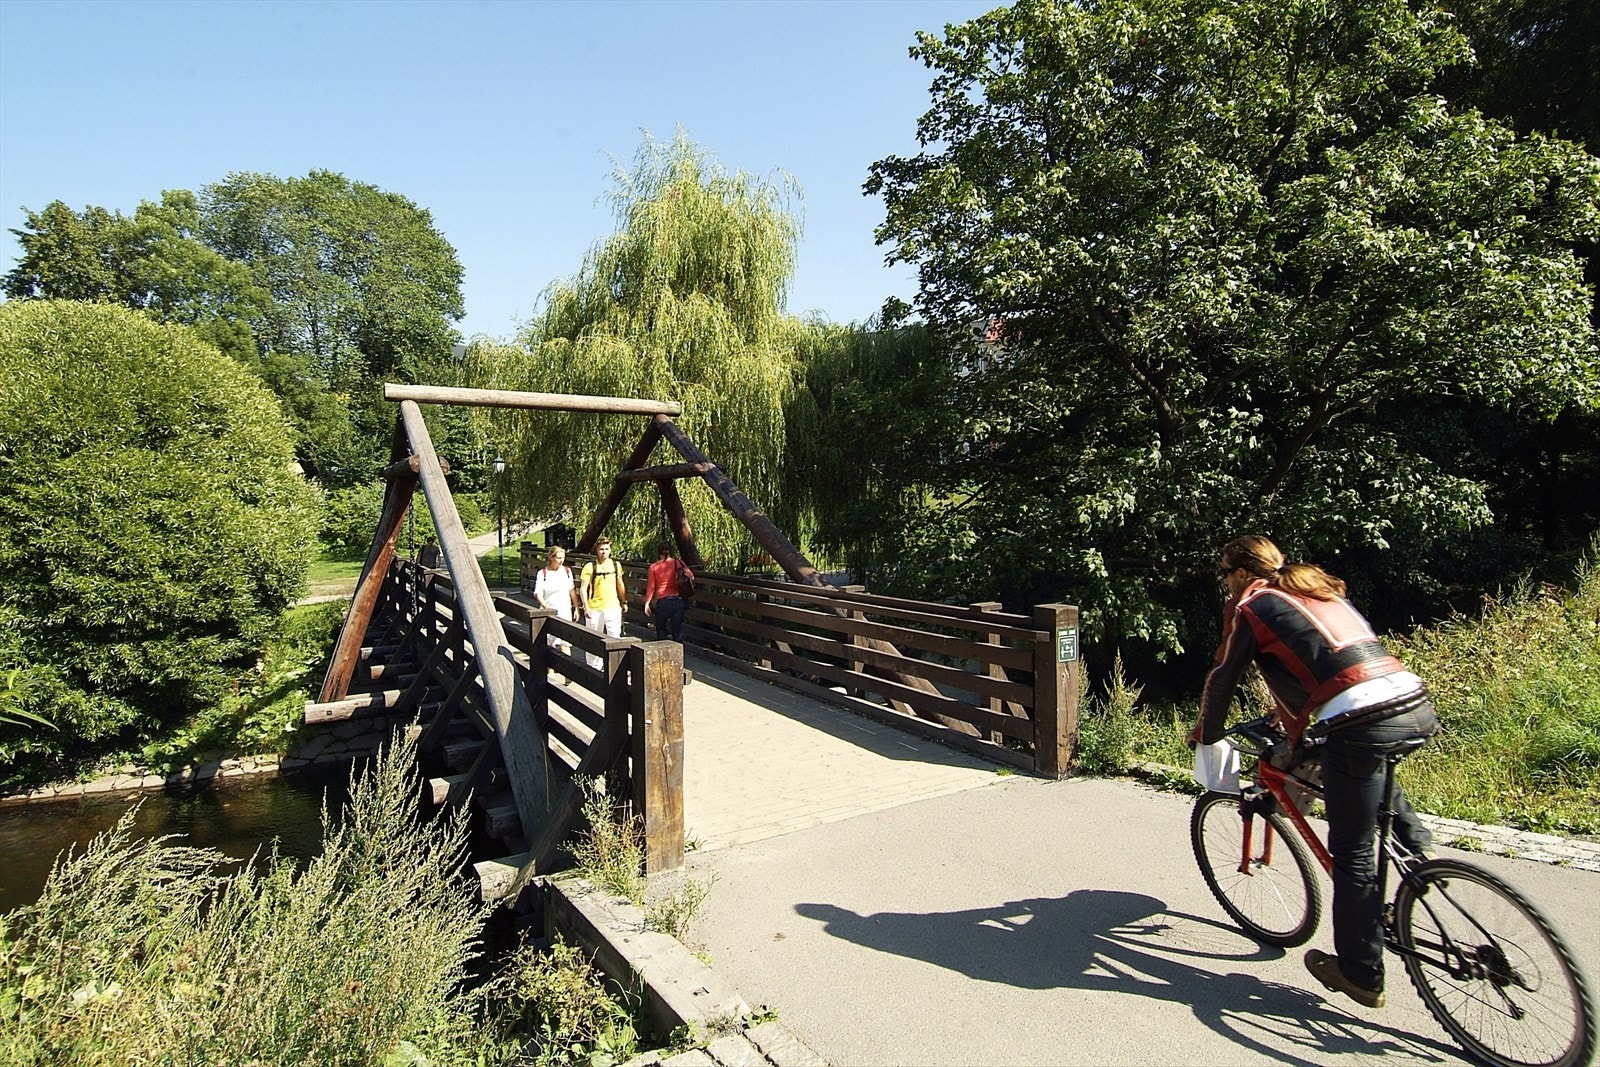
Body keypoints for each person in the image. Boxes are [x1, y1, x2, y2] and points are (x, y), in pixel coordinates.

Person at [1188, 535, 1438, 1011]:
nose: (1224, 583)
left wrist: (1207, 731)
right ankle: (1424, 860)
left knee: (1352, 851)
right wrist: (1292, 714)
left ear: (1241, 574)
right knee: (1374, 774)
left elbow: (1223, 678)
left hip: (1360, 720)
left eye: (1225, 574)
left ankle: (1361, 972)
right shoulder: (1317, 588)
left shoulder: (1255, 606)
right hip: (1410, 701)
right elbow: (1329, 663)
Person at [579, 537, 627, 670]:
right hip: (595, 607)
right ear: (597, 550)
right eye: (601, 549)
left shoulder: (616, 565)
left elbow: (620, 584)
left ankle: (614, 667)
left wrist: (624, 601)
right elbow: (583, 588)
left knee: (614, 638)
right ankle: (593, 668)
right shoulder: (590, 566)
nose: (604, 552)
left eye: (606, 549)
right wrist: (585, 606)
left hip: (613, 607)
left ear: (610, 549)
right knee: (593, 639)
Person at [533, 544, 580, 664]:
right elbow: (537, 593)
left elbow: (571, 590)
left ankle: (568, 673)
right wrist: (545, 606)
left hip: (565, 610)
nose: (561, 560)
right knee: (550, 643)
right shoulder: (543, 573)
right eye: (558, 557)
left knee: (565, 641)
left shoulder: (567, 571)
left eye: (563, 557)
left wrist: (576, 608)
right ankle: (550, 673)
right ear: (551, 557)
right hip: (550, 609)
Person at [643, 540, 693, 642]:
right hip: (678, 600)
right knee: (677, 631)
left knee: (660, 629)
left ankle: (663, 653)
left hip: (663, 602)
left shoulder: (654, 567)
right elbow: (691, 576)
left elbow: (651, 587)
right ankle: (678, 654)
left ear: (658, 552)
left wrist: (647, 603)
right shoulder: (678, 563)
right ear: (671, 551)